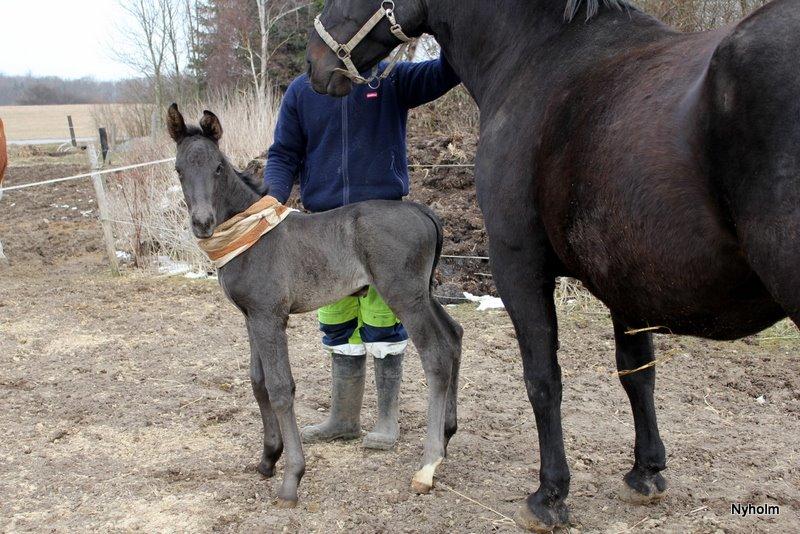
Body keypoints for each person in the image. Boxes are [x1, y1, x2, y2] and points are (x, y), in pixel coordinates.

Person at [264, 52, 460, 450]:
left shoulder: (388, 79)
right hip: (323, 227)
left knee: (385, 323)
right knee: (338, 325)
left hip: (382, 228)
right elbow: (284, 152)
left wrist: (450, 26)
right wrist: (271, 203)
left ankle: (387, 421)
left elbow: (444, 72)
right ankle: (344, 418)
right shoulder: (303, 91)